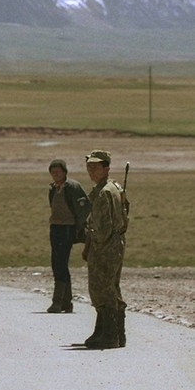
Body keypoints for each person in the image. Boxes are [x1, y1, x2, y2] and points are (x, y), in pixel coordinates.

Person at [81, 149, 128, 349]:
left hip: (106, 245)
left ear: (106, 168)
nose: (92, 170)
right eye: (89, 167)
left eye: (96, 167)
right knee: (110, 287)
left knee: (103, 288)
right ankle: (112, 332)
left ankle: (109, 334)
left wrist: (94, 245)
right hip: (114, 243)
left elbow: (103, 226)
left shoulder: (105, 191)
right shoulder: (113, 187)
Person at [46, 159, 91, 313]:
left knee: (61, 263)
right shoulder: (53, 188)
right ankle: (66, 302)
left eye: (58, 172)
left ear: (65, 172)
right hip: (56, 227)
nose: (55, 175)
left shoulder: (72, 187)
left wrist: (78, 227)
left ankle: (58, 301)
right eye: (52, 172)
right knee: (57, 263)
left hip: (67, 228)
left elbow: (84, 208)